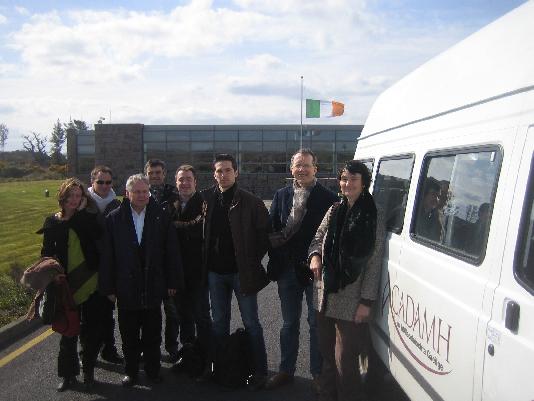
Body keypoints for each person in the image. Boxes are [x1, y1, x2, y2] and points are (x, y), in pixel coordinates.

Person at [308, 160, 385, 401]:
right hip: (324, 293)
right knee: (327, 353)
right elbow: (318, 236)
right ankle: (327, 395)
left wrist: (366, 302)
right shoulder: (334, 209)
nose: (347, 183)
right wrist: (315, 256)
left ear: (364, 183)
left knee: (345, 359)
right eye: (344, 179)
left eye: (353, 179)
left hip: (352, 299)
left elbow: (373, 263)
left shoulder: (373, 214)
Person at [100, 174, 183, 387]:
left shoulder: (161, 216)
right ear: (127, 193)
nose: (141, 195)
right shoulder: (114, 219)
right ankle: (131, 372)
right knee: (128, 334)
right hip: (126, 287)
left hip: (153, 285)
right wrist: (108, 287)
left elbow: (171, 251)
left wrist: (172, 282)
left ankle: (153, 371)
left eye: (145, 191)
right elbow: (108, 255)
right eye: (136, 191)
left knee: (152, 334)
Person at [266, 148, 338, 391]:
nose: (302, 169)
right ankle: (286, 370)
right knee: (289, 324)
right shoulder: (281, 195)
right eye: (298, 165)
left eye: (307, 165)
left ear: (315, 169)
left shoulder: (328, 198)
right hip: (287, 270)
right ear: (291, 169)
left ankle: (317, 374)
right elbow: (272, 229)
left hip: (315, 271)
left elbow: (330, 237)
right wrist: (277, 260)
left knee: (316, 324)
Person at [201, 154, 270, 391]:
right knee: (219, 323)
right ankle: (219, 368)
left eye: (228, 170)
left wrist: (250, 261)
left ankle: (260, 371)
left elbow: (264, 235)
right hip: (215, 273)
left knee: (252, 323)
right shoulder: (206, 199)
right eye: (219, 171)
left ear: (236, 172)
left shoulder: (251, 202)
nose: (223, 175)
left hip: (242, 273)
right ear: (214, 174)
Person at [38, 178, 104, 392]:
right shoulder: (52, 222)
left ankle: (89, 371)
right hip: (65, 284)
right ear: (62, 197)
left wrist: (83, 213)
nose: (74, 200)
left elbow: (97, 238)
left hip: (90, 281)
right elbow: (46, 253)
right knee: (68, 331)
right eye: (71, 196)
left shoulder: (87, 218)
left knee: (90, 331)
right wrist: (53, 274)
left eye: (78, 196)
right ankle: (68, 375)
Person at [167, 164, 213, 375]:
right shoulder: (171, 205)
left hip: (198, 272)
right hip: (177, 271)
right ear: (176, 182)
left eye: (188, 179)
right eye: (181, 179)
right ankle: (189, 356)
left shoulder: (205, 205)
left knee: (201, 317)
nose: (184, 183)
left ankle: (207, 360)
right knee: (183, 316)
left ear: (195, 182)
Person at [144, 159, 181, 361]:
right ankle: (150, 348)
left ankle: (172, 346)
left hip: (168, 261)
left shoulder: (173, 195)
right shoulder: (141, 194)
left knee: (172, 311)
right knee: (149, 312)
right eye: (151, 173)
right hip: (147, 263)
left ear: (164, 173)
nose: (155, 176)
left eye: (158, 172)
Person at [87, 165, 122, 364]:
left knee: (108, 313)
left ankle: (109, 350)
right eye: (100, 182)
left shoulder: (117, 204)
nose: (105, 186)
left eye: (108, 182)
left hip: (108, 267)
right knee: (88, 316)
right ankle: (88, 354)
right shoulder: (84, 203)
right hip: (88, 268)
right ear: (92, 182)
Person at [415, 177, 442, 242]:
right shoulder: (411, 214)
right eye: (433, 194)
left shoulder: (433, 216)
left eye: (438, 196)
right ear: (424, 194)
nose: (437, 199)